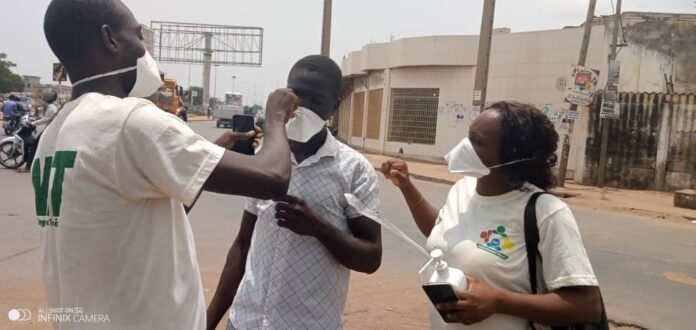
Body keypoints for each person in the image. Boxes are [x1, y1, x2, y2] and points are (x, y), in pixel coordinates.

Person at [36, 1, 298, 329]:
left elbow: (138, 217)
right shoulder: (128, 120)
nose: (144, 48)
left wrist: (206, 155)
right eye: (138, 35)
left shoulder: (55, 134)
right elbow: (273, 177)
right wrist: (275, 116)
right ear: (110, 39)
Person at [381, 102, 601, 329]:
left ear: (511, 155)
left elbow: (587, 306)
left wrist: (497, 301)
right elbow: (444, 234)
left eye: (477, 141)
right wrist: (407, 187)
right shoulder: (462, 189)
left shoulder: (546, 212)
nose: (464, 146)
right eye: (469, 136)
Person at [207, 55, 382, 330]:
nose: (302, 108)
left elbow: (371, 257)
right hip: (246, 321)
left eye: (316, 101)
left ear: (333, 107)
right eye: (295, 96)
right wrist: (210, 319)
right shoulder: (264, 159)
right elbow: (243, 244)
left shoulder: (354, 170)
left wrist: (318, 228)